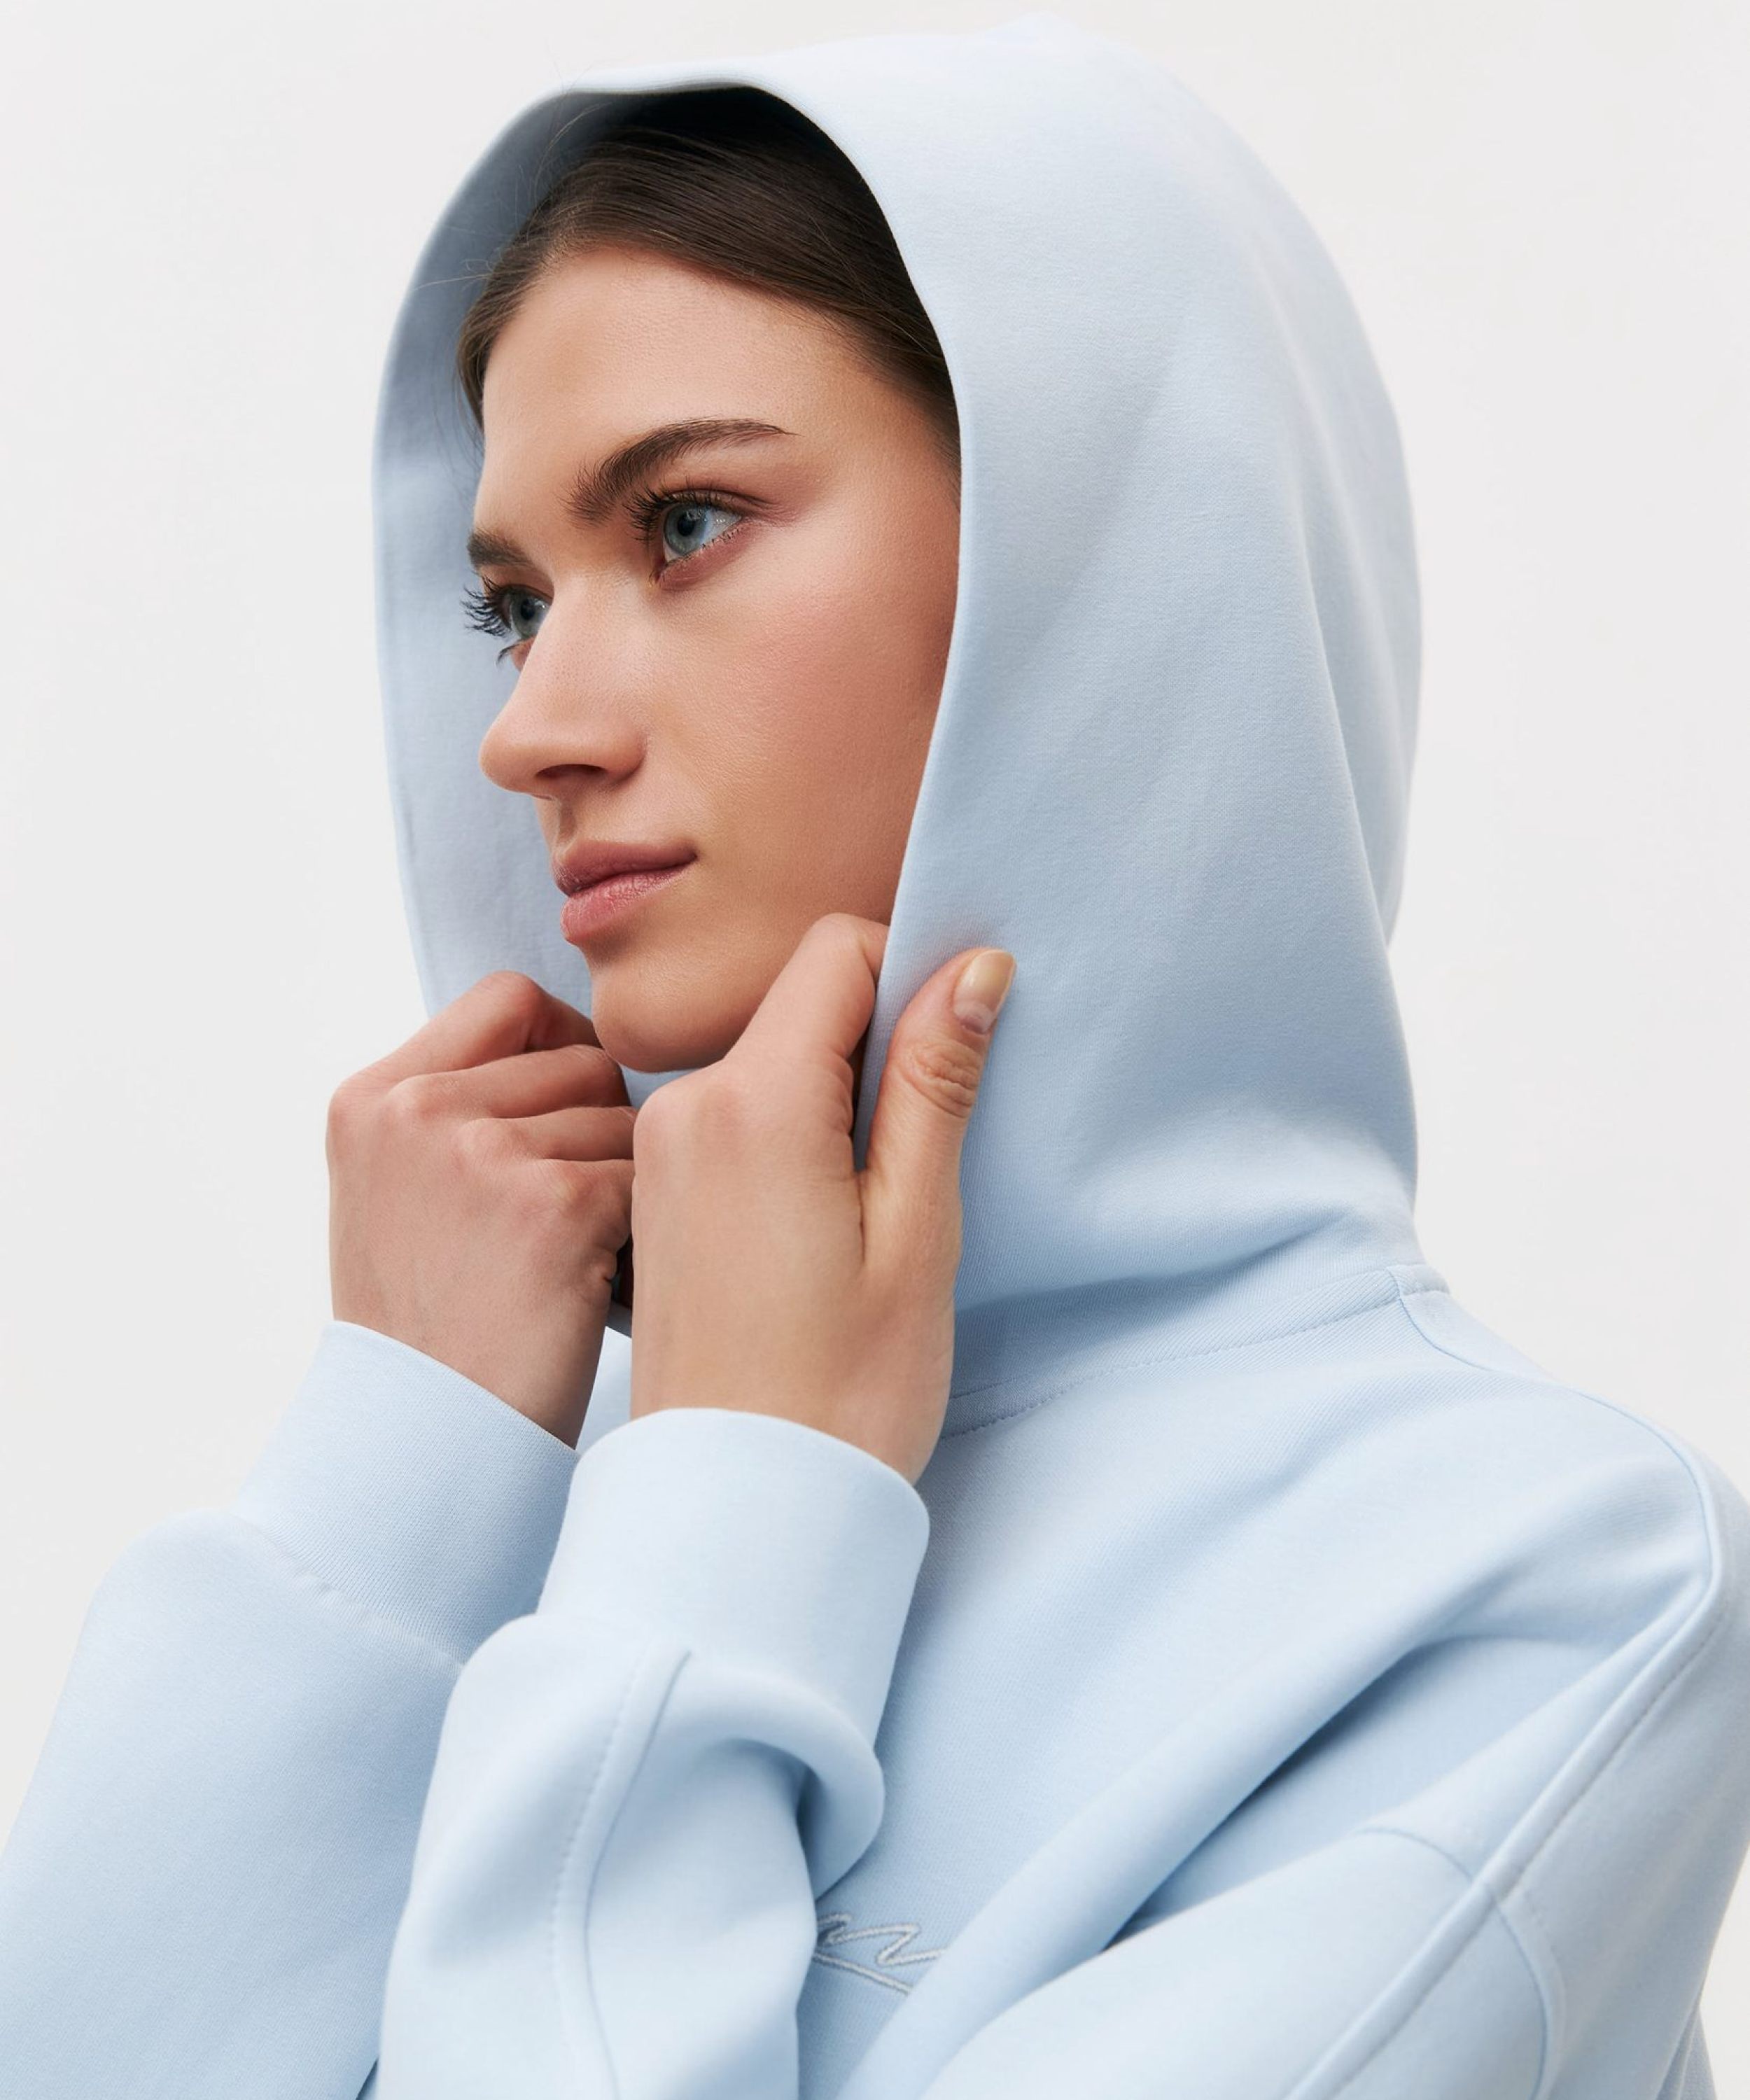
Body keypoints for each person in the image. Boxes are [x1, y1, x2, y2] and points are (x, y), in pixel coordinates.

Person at [1, 13, 1746, 2097]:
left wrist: (739, 1502)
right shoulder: (533, 1470)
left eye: (683, 524)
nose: (525, 730)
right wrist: (395, 1485)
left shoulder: (1528, 1587)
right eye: (509, 603)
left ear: (1092, 563)